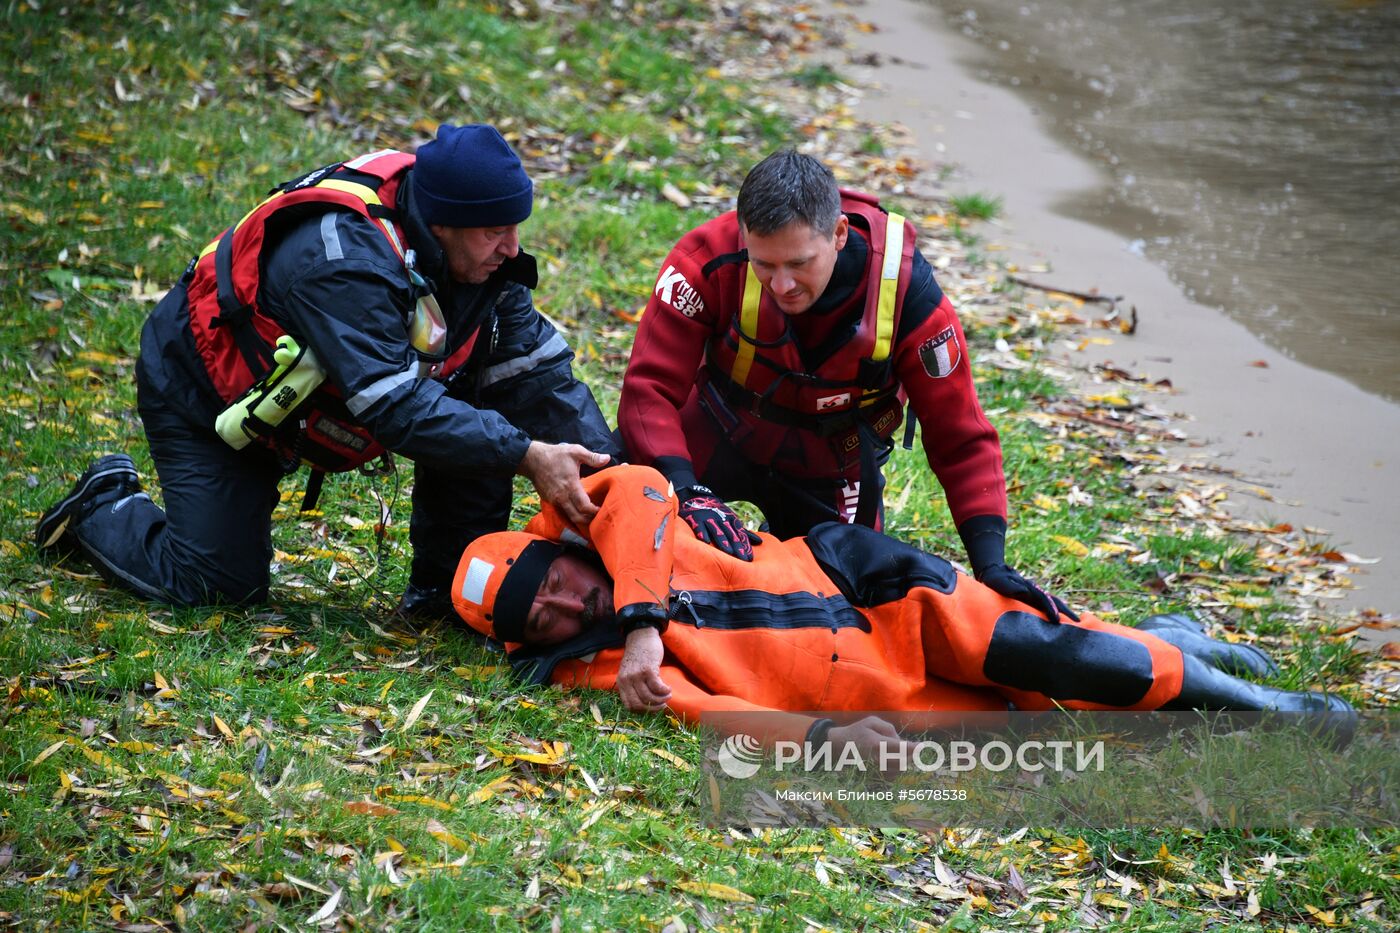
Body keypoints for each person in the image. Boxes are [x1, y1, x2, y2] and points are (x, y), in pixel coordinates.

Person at [35, 124, 617, 616]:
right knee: (217, 586)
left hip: (294, 406)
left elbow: (542, 380)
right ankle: (104, 502)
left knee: (483, 402)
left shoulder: (484, 264)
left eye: (517, 228)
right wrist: (527, 455)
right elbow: (395, 409)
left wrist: (621, 482)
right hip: (206, 392)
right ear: (441, 223)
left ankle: (441, 592)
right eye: (495, 232)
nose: (512, 249)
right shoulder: (343, 260)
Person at [450, 465, 1353, 748]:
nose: (569, 602)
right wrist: (817, 742)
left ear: (552, 546)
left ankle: (1276, 714)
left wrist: (644, 619)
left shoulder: (600, 514)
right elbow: (708, 709)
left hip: (867, 589)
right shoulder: (596, 667)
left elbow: (647, 486)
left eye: (556, 579)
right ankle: (1171, 640)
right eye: (546, 618)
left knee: (1072, 662)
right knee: (1051, 707)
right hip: (870, 698)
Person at [618, 150, 1068, 624]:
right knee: (618, 506)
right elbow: (649, 390)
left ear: (839, 234)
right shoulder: (707, 259)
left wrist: (990, 563)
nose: (783, 284)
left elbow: (959, 434)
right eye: (764, 264)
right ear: (745, 236)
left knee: (848, 609)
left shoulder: (908, 293)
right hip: (717, 429)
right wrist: (687, 492)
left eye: (799, 262)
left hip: (829, 463)